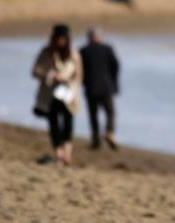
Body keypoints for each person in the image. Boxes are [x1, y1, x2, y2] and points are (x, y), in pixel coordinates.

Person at [32, 24, 83, 166]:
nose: (61, 42)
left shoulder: (73, 54)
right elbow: (35, 71)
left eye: (63, 39)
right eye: (58, 39)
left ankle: (67, 153)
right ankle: (58, 153)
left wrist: (66, 79)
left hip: (67, 95)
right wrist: (50, 75)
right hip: (50, 95)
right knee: (53, 123)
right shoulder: (46, 52)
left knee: (68, 122)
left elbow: (79, 76)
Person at [79, 26, 121, 151]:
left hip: (90, 88)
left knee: (93, 115)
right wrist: (114, 84)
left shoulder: (83, 51)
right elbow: (116, 66)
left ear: (89, 37)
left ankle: (96, 140)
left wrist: (83, 82)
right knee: (110, 112)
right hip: (106, 87)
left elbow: (79, 70)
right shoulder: (107, 49)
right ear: (98, 36)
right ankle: (109, 131)